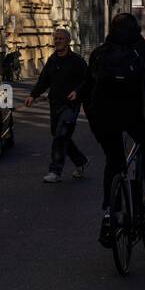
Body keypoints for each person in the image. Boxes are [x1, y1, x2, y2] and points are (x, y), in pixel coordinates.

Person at [75, 12, 145, 247]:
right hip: (137, 118)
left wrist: (93, 119)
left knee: (114, 163)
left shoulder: (100, 53)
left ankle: (108, 216)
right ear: (136, 29)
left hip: (105, 118)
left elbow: (87, 87)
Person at [25, 28, 89, 183]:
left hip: (70, 105)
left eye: (61, 39)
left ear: (68, 41)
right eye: (56, 38)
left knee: (61, 135)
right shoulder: (52, 60)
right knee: (60, 135)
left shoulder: (77, 61)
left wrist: (77, 92)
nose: (58, 41)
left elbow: (87, 80)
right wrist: (33, 95)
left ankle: (55, 171)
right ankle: (81, 161)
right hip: (55, 104)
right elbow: (43, 80)